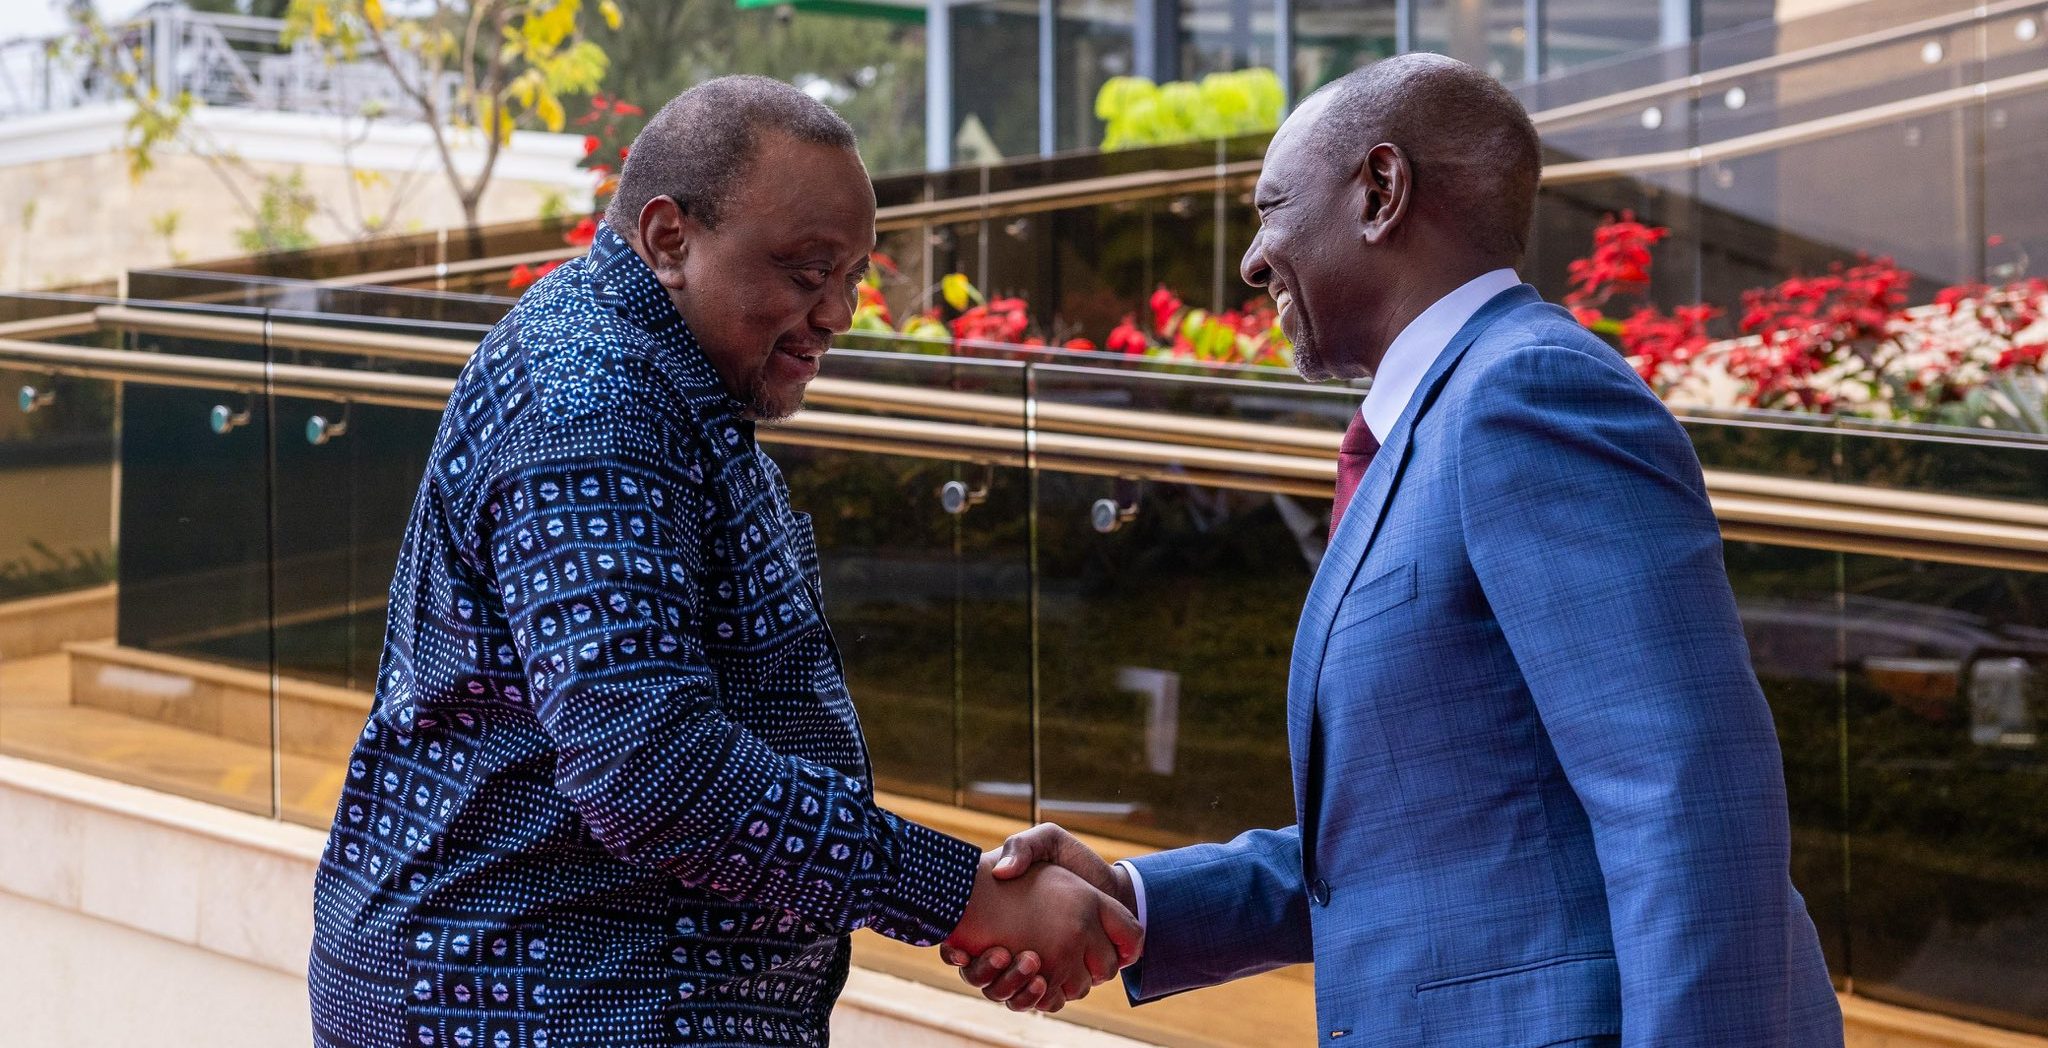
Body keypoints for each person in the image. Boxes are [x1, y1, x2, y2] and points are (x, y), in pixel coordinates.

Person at [943, 54, 1844, 1046]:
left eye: (1271, 208)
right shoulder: (1444, 417)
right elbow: (1412, 841)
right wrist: (1133, 897)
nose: (1250, 259)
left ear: (1379, 191)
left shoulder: (1527, 392)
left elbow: (1686, 798)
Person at [307, 76, 1138, 1048]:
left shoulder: (655, 372)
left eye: (854, 275)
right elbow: (647, 765)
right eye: (804, 270)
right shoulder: (593, 409)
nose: (838, 311)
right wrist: (957, 893)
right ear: (668, 239)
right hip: (530, 1005)